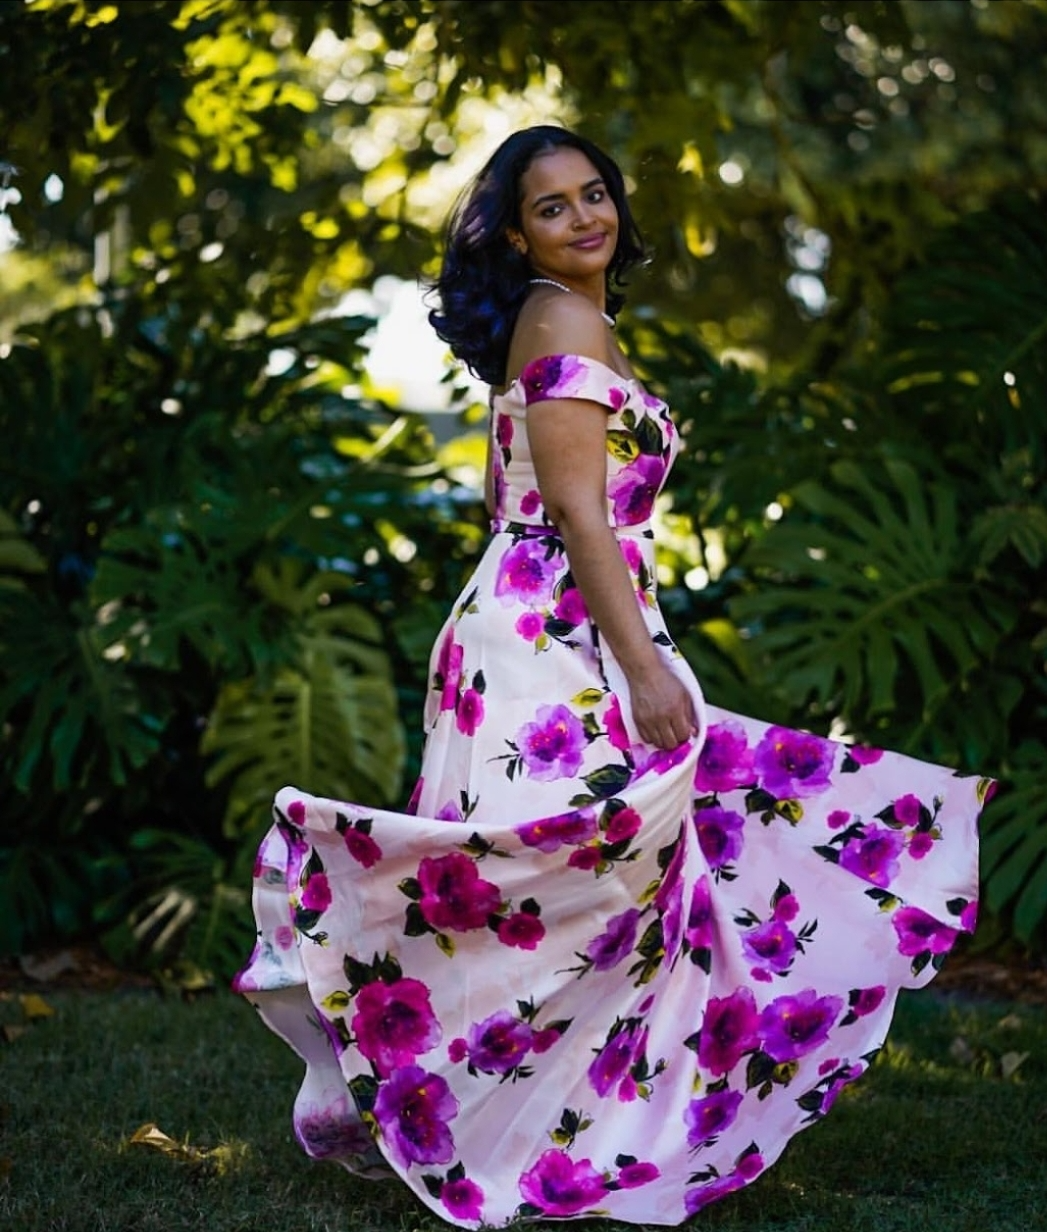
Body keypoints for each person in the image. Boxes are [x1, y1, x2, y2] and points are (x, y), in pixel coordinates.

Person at [234, 126, 989, 1228]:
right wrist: (636, 663)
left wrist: (637, 642)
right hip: (552, 629)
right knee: (561, 869)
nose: (585, 217)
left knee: (595, 874)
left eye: (595, 195)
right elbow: (579, 510)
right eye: (553, 206)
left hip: (560, 613)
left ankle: (526, 1119)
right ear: (520, 233)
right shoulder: (564, 314)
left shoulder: (576, 318)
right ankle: (395, 1052)